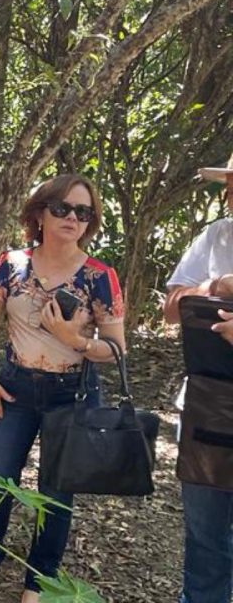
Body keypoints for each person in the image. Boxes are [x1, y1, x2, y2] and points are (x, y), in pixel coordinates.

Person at [0, 174, 126, 602]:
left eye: (83, 212)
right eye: (62, 208)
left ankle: (39, 579)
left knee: (56, 492)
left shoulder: (100, 277)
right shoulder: (11, 265)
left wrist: (74, 340)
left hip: (72, 393)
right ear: (40, 213)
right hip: (14, 388)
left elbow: (117, 350)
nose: (72, 218)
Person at [161, 158, 233, 603]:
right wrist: (216, 285)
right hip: (208, 404)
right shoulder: (217, 236)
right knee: (205, 540)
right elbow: (172, 308)